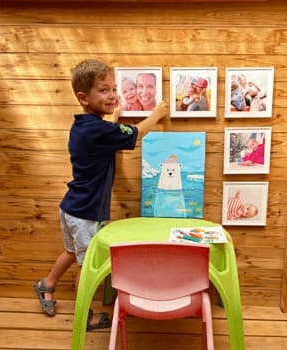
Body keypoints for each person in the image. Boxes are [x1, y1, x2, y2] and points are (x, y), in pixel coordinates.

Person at [33, 59, 168, 330]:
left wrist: (114, 115)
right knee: (88, 267)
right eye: (104, 90)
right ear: (83, 98)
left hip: (72, 206)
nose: (112, 95)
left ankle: (46, 284)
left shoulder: (85, 126)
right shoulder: (98, 130)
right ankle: (84, 317)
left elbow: (107, 133)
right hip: (85, 213)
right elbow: (136, 133)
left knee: (71, 251)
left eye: (114, 89)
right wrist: (157, 113)